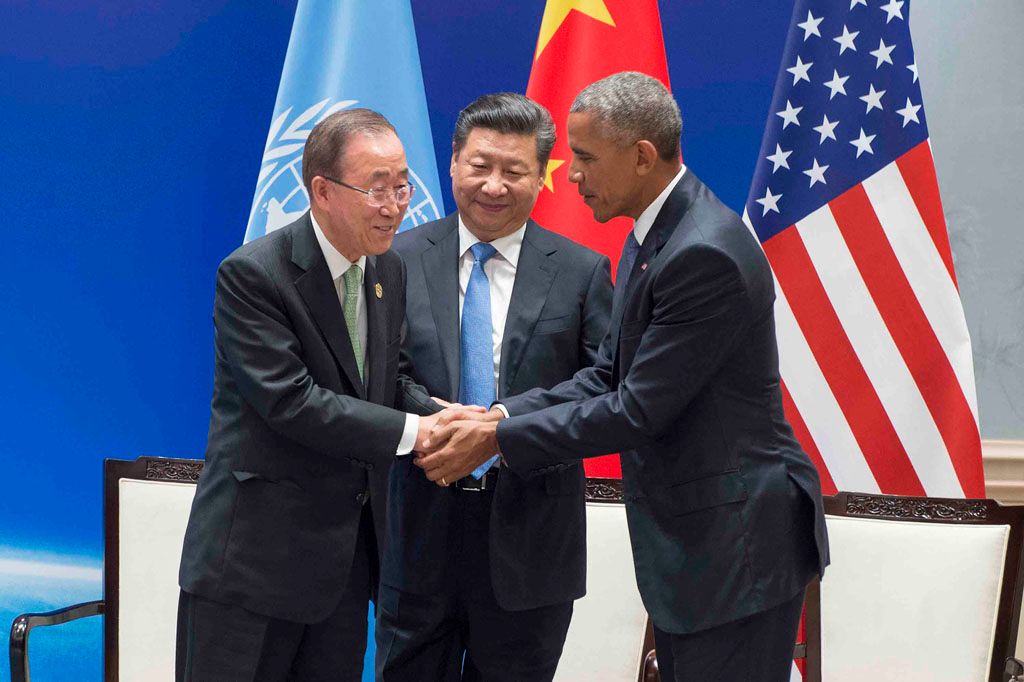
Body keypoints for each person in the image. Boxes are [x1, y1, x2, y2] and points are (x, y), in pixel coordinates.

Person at [416, 72, 830, 682]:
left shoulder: (703, 252)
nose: (572, 176)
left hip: (736, 545)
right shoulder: (655, 235)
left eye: (585, 158)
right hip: (703, 541)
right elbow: (606, 375)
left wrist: (496, 440)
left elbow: (637, 410)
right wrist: (501, 415)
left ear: (641, 157)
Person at [176, 108, 471, 681]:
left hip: (343, 569)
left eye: (403, 186)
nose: (394, 206)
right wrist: (418, 433)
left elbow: (384, 382)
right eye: (376, 189)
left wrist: (441, 413)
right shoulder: (254, 274)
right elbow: (291, 401)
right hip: (252, 569)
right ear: (322, 191)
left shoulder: (387, 270)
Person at [375, 93, 612, 682]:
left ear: (542, 177)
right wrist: (444, 425)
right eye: (480, 166)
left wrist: (500, 424)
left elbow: (604, 381)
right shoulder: (394, 258)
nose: (494, 186)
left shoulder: (582, 271)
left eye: (515, 171)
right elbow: (377, 370)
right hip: (416, 528)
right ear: (453, 162)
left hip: (532, 542)